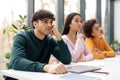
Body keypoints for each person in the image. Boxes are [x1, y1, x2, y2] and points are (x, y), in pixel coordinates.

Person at [5, 9, 71, 80]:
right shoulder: (21, 37)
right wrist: (46, 67)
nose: (49, 25)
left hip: (35, 78)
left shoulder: (49, 41)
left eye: (51, 22)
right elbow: (17, 62)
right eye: (45, 21)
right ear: (35, 24)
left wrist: (58, 36)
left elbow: (66, 60)